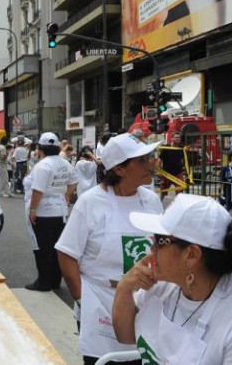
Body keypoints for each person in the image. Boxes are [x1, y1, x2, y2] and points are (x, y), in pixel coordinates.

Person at [113, 194, 232, 364]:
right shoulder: (163, 287)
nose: (151, 247)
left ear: (191, 254)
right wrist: (124, 288)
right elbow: (126, 336)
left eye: (159, 240)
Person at [55, 133, 163, 365]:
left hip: (145, 301)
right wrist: (83, 298)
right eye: (142, 160)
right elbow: (66, 253)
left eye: (149, 157)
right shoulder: (91, 202)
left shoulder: (151, 200)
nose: (151, 163)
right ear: (120, 169)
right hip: (101, 302)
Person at [25, 132, 77, 292]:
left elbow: (38, 190)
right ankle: (55, 280)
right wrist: (66, 196)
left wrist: (33, 209)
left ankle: (44, 282)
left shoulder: (43, 165)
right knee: (56, 248)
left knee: (43, 248)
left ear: (40, 148)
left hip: (44, 211)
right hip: (60, 210)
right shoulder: (64, 163)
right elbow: (73, 182)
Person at [158, 133, 186, 200]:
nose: (178, 138)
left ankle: (179, 206)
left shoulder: (181, 149)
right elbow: (159, 161)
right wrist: (159, 171)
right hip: (166, 173)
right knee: (163, 191)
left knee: (180, 191)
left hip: (177, 173)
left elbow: (182, 160)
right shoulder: (166, 148)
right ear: (172, 138)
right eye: (176, 137)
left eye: (179, 137)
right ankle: (159, 205)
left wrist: (184, 170)